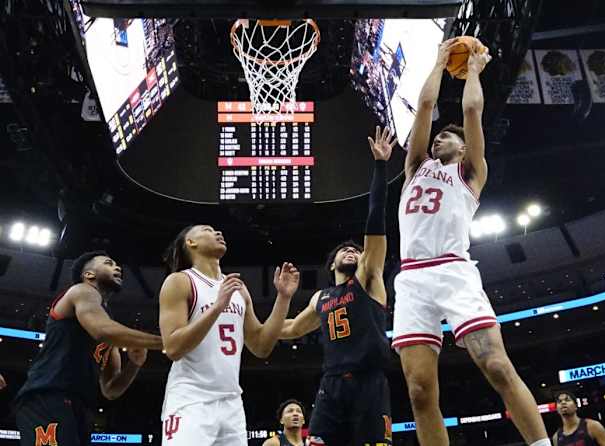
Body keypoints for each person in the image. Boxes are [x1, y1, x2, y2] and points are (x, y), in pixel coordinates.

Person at [391, 37, 551, 446]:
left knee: (496, 366)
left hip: (453, 269)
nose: (440, 137)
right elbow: (425, 107)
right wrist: (438, 62)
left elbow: (471, 109)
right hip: (411, 279)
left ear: (463, 148)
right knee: (419, 392)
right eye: (438, 136)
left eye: (449, 136)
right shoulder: (414, 167)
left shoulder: (470, 172)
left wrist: (474, 71)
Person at [279, 126, 396, 445]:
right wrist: (245, 325)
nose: (352, 250)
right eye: (344, 250)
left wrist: (381, 166)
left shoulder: (369, 279)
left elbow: (375, 217)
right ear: (331, 265)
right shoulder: (321, 296)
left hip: (369, 383)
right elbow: (289, 329)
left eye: (357, 250)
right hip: (331, 387)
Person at [158, 224, 300, 446]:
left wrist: (283, 298)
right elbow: (173, 348)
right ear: (190, 242)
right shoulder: (180, 281)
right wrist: (217, 307)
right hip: (191, 398)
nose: (218, 233)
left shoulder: (238, 288)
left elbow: (261, 346)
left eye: (217, 230)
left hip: (231, 402)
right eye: (207, 229)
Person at [14, 251, 163, 446]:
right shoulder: (82, 291)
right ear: (89, 274)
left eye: (117, 265)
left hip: (81, 406)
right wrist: (166, 341)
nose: (117, 268)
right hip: (48, 396)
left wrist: (134, 365)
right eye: (109, 263)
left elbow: (110, 389)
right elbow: (101, 330)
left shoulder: (108, 322)